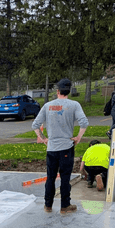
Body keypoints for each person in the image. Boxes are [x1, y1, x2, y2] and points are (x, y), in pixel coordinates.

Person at [32, 78, 89, 214]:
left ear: (57, 91)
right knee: (65, 177)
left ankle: (48, 205)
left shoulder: (47, 106)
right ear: (68, 91)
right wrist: (78, 138)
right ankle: (65, 206)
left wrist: (44, 139)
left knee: (50, 177)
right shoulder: (74, 105)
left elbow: (35, 125)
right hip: (66, 147)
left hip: (51, 148)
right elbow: (84, 123)